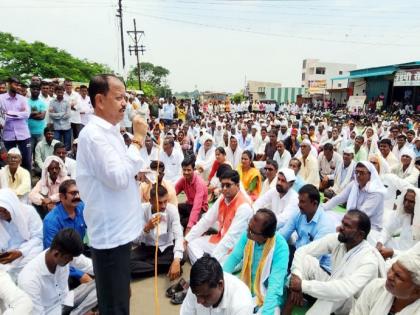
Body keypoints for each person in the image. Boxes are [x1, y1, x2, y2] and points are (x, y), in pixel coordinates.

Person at [76, 74, 148, 314]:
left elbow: (124, 171)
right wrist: (138, 140)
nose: (125, 103)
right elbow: (117, 178)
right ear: (99, 100)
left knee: (120, 299)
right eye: (118, 97)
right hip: (110, 238)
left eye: (125, 98)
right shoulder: (93, 135)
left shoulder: (112, 131)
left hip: (121, 234)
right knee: (115, 307)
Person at [283, 210, 385, 315]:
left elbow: (344, 289)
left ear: (360, 235)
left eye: (347, 226)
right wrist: (297, 277)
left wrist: (302, 285)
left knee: (335, 295)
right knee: (306, 261)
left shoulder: (369, 260)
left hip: (355, 305)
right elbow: (302, 251)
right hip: (335, 286)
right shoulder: (339, 239)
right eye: (342, 223)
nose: (340, 227)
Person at [18, 228, 97, 315]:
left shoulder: (65, 254)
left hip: (67, 299)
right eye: (69, 258)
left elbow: (90, 265)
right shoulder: (29, 279)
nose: (71, 260)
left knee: (103, 284)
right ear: (56, 254)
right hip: (49, 312)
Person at [224, 209, 289, 314]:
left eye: (252, 231)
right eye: (249, 226)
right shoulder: (249, 234)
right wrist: (219, 280)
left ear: (265, 236)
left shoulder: (281, 248)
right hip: (246, 285)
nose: (247, 232)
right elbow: (233, 258)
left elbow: (274, 286)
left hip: (267, 295)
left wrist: (266, 312)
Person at [184, 170, 253, 264]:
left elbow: (231, 238)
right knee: (191, 244)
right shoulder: (222, 198)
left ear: (237, 186)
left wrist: (213, 258)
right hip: (219, 240)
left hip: (235, 251)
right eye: (222, 185)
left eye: (228, 185)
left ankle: (206, 268)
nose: (224, 188)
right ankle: (206, 268)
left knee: (219, 264)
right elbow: (206, 221)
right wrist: (186, 239)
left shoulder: (244, 207)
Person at [43, 179, 92, 286]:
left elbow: (94, 226)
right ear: (61, 197)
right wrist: (79, 274)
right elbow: (53, 255)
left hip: (79, 253)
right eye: (73, 193)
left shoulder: (81, 207)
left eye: (78, 193)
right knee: (70, 282)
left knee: (106, 264)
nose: (77, 196)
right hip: (62, 260)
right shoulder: (51, 221)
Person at [130, 185, 184, 280]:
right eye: (159, 203)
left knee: (180, 258)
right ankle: (163, 267)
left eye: (165, 202)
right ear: (151, 202)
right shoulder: (142, 210)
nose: (163, 206)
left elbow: (179, 236)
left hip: (167, 247)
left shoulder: (172, 210)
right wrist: (146, 229)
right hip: (148, 247)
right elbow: (135, 239)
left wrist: (176, 260)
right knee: (125, 261)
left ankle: (146, 267)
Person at [279, 184, 335, 272]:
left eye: (303, 202)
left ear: (314, 203)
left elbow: (311, 260)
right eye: (299, 201)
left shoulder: (325, 226)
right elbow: (282, 235)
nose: (299, 205)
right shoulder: (299, 213)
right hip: (299, 256)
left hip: (319, 269)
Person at [324, 161, 387, 238]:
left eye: (362, 173)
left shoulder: (376, 192)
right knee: (326, 215)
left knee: (334, 231)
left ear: (370, 175)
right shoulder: (355, 184)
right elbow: (339, 198)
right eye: (356, 172)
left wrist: (343, 226)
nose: (358, 175)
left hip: (368, 228)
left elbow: (362, 215)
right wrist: (323, 208)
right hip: (352, 219)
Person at [180, 254, 254, 315]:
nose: (199, 301)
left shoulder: (241, 304)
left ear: (220, 285)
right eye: (196, 295)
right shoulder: (199, 288)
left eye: (206, 296)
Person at [350, 253, 420, 315]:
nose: (389, 276)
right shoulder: (376, 286)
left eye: (398, 276)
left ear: (417, 291)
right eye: (392, 269)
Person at [0, 189, 43, 279]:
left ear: (12, 206)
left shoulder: (29, 212)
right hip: (7, 254)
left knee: (35, 257)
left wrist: (21, 252)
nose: (2, 214)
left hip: (28, 250)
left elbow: (38, 237)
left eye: (5, 210)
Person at [376, 187, 420, 258]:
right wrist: (379, 244)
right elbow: (388, 229)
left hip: (410, 258)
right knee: (372, 234)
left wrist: (393, 253)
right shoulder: (406, 215)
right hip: (397, 249)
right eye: (405, 200)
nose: (406, 204)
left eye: (411, 202)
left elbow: (416, 254)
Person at [0, 77, 32, 172]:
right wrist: (19, 114)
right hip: (8, 135)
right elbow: (1, 117)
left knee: (26, 161)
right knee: (9, 162)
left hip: (23, 135)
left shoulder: (23, 99)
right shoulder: (1, 99)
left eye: (19, 85)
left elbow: (26, 114)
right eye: (15, 84)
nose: (18, 87)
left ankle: (27, 184)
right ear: (9, 84)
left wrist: (8, 113)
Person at [175, 156, 208, 232]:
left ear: (194, 170)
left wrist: (189, 227)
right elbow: (173, 192)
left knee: (183, 222)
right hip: (189, 205)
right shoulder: (183, 179)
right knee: (174, 208)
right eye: (184, 170)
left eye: (189, 170)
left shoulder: (199, 183)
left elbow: (197, 207)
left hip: (201, 208)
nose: (186, 172)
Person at [49, 85, 72, 151]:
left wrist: (57, 115)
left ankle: (67, 158)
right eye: (58, 92)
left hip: (67, 127)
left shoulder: (67, 102)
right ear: (55, 92)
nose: (60, 94)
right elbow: (51, 114)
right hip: (56, 127)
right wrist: (62, 114)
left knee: (67, 146)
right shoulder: (52, 102)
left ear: (63, 92)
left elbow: (68, 115)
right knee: (56, 145)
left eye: (61, 92)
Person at [28, 82, 47, 153]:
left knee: (40, 153)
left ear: (40, 91)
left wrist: (29, 115)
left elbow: (42, 117)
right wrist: (36, 113)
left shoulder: (42, 103)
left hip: (40, 132)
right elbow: (24, 115)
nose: (35, 91)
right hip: (28, 132)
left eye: (37, 89)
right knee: (29, 153)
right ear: (30, 90)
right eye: (34, 89)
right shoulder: (26, 101)